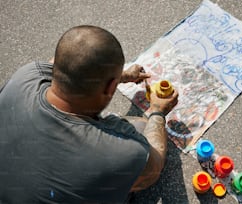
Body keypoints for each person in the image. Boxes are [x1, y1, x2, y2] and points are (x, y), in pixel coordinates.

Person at [0, 25, 178, 203]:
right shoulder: (122, 152)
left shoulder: (28, 75)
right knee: (143, 128)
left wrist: (120, 76)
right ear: (111, 87)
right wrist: (158, 111)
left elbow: (60, 64)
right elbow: (153, 169)